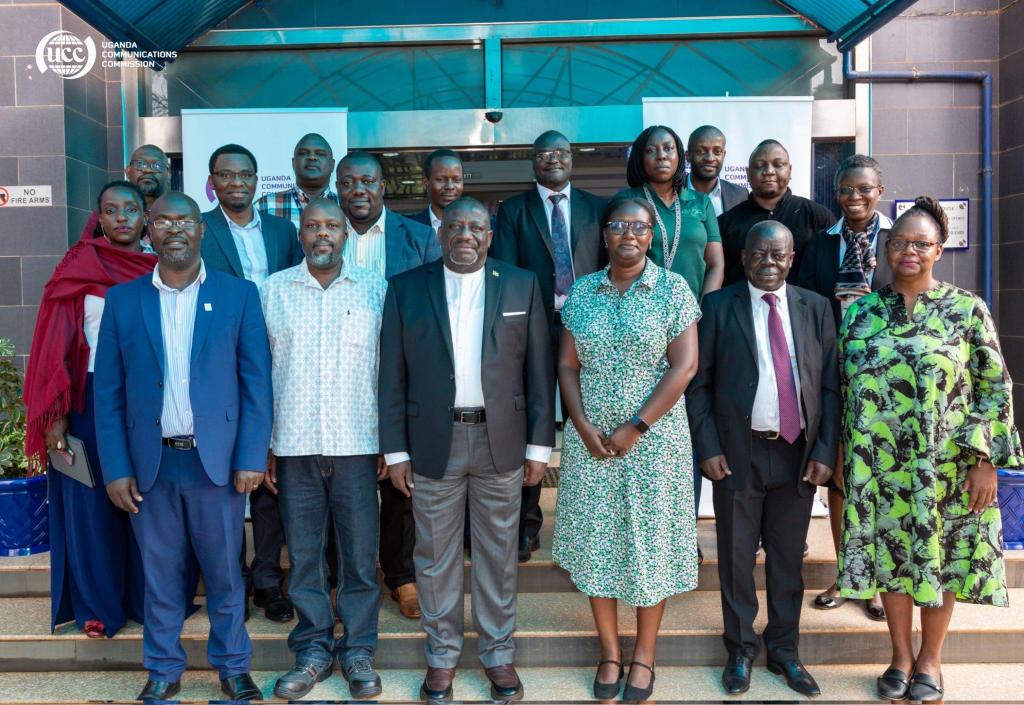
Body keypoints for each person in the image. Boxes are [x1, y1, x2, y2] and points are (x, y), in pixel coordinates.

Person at [838, 197, 1021, 703]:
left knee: (940, 560)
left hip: (948, 467)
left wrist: (986, 461)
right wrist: (842, 457)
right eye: (899, 242)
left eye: (921, 243)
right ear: (886, 249)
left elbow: (994, 388)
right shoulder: (862, 313)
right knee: (892, 558)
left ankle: (931, 660)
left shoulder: (967, 309)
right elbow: (843, 389)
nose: (909, 251)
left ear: (939, 249)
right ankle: (900, 656)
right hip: (879, 468)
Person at [94, 191, 273, 702]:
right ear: (149, 230)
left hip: (214, 464)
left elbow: (257, 384)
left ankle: (233, 667)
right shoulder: (123, 300)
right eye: (164, 221)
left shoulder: (238, 295)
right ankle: (163, 669)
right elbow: (108, 393)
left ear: (201, 229)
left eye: (185, 221)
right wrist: (116, 468)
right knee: (160, 577)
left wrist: (250, 457)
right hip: (149, 465)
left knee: (225, 574)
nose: (175, 229)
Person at [379, 196, 555, 703]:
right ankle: (441, 658)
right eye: (455, 226)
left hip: (502, 441)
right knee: (434, 556)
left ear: (489, 235)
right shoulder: (406, 288)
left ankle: (498, 654)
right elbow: (391, 375)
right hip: (432, 443)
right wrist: (396, 453)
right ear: (441, 233)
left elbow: (539, 371)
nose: (465, 235)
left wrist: (539, 446)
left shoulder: (521, 283)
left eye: (476, 227)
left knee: (498, 554)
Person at [553, 197, 700, 703]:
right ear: (605, 235)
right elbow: (567, 364)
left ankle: (644, 656)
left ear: (651, 235)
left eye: (639, 227)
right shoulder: (583, 292)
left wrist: (636, 426)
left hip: (654, 443)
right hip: (590, 442)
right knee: (597, 542)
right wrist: (580, 423)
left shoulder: (673, 289)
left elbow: (685, 366)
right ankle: (610, 652)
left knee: (648, 547)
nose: (629, 235)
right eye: (619, 226)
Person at [687, 220, 839, 697]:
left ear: (791, 259)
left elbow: (830, 386)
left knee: (787, 559)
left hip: (798, 454)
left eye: (778, 255)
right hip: (739, 451)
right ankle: (740, 650)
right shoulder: (717, 307)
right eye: (758, 254)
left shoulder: (816, 307)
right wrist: (708, 446)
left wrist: (825, 449)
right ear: (743, 257)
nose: (768, 263)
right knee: (735, 557)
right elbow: (699, 384)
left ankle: (785, 651)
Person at [261, 199, 387, 701]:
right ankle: (313, 649)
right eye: (312, 225)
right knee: (305, 557)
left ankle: (358, 651)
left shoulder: (376, 290)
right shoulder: (273, 291)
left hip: (358, 445)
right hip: (294, 446)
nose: (322, 234)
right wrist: (265, 445)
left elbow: (389, 372)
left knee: (359, 558)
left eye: (332, 226)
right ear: (300, 234)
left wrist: (391, 444)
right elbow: (259, 374)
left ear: (345, 235)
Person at [24, 181, 157, 640]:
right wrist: (55, 416)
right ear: (98, 218)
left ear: (145, 217)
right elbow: (54, 346)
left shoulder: (161, 268)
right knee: (90, 505)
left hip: (148, 401)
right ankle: (98, 607)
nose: (122, 218)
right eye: (111, 210)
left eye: (130, 209)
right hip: (87, 400)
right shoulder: (79, 265)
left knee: (145, 502)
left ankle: (147, 601)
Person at [336, 150, 442, 620]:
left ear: (383, 187)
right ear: (338, 189)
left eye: (367, 181)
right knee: (346, 483)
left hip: (403, 374)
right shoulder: (323, 234)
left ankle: (402, 576)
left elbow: (436, 306)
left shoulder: (418, 237)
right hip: (341, 377)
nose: (358, 190)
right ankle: (349, 575)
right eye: (349, 182)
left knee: (401, 479)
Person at [490, 129, 606, 562]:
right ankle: (526, 525)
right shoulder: (514, 210)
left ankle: (590, 522)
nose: (553, 159)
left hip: (588, 329)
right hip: (534, 327)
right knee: (532, 421)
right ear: (533, 161)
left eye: (561, 152)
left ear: (572, 158)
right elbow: (504, 271)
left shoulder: (597, 207)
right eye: (544, 154)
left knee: (588, 419)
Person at [201, 142, 302, 624]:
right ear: (212, 182)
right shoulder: (200, 229)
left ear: (258, 180)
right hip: (219, 368)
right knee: (224, 482)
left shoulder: (284, 231)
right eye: (226, 174)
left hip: (277, 365)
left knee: (268, 479)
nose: (236, 182)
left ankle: (267, 581)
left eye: (245, 174)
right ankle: (230, 583)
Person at [794, 154, 892, 621]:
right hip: (834, 373)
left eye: (864, 189)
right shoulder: (819, 245)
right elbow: (806, 309)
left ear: (880, 191)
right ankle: (847, 574)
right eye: (846, 190)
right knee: (839, 475)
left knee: (880, 477)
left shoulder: (898, 239)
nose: (855, 197)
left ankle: (878, 581)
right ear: (835, 194)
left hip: (889, 380)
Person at [619, 124, 724, 546]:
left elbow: (716, 263)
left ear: (681, 156)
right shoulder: (627, 203)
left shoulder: (700, 203)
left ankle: (683, 534)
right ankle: (644, 533)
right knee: (646, 429)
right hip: (642, 334)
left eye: (668, 149)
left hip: (691, 329)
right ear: (640, 158)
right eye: (651, 150)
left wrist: (701, 313)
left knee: (688, 432)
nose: (661, 156)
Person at [719, 139, 835, 285]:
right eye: (760, 166)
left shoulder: (817, 217)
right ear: (748, 173)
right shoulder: (726, 223)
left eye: (778, 165)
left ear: (790, 170)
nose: (769, 171)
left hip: (803, 300)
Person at [79, 145, 172, 243]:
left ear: (168, 175)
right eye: (140, 164)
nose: (148, 170)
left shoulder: (179, 213)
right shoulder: (107, 214)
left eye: (157, 165)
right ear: (128, 171)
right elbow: (85, 249)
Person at [255, 133, 339, 230]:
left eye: (320, 154)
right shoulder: (265, 205)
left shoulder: (344, 206)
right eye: (303, 153)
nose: (312, 157)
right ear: (293, 163)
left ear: (332, 165)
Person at [684, 125, 748, 216]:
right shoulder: (671, 192)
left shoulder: (740, 195)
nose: (710, 158)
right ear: (688, 156)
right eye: (701, 151)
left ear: (723, 155)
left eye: (717, 152)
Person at [409, 149, 464, 234]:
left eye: (457, 180)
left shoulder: (477, 227)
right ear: (426, 183)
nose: (450, 187)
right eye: (441, 179)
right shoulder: (410, 227)